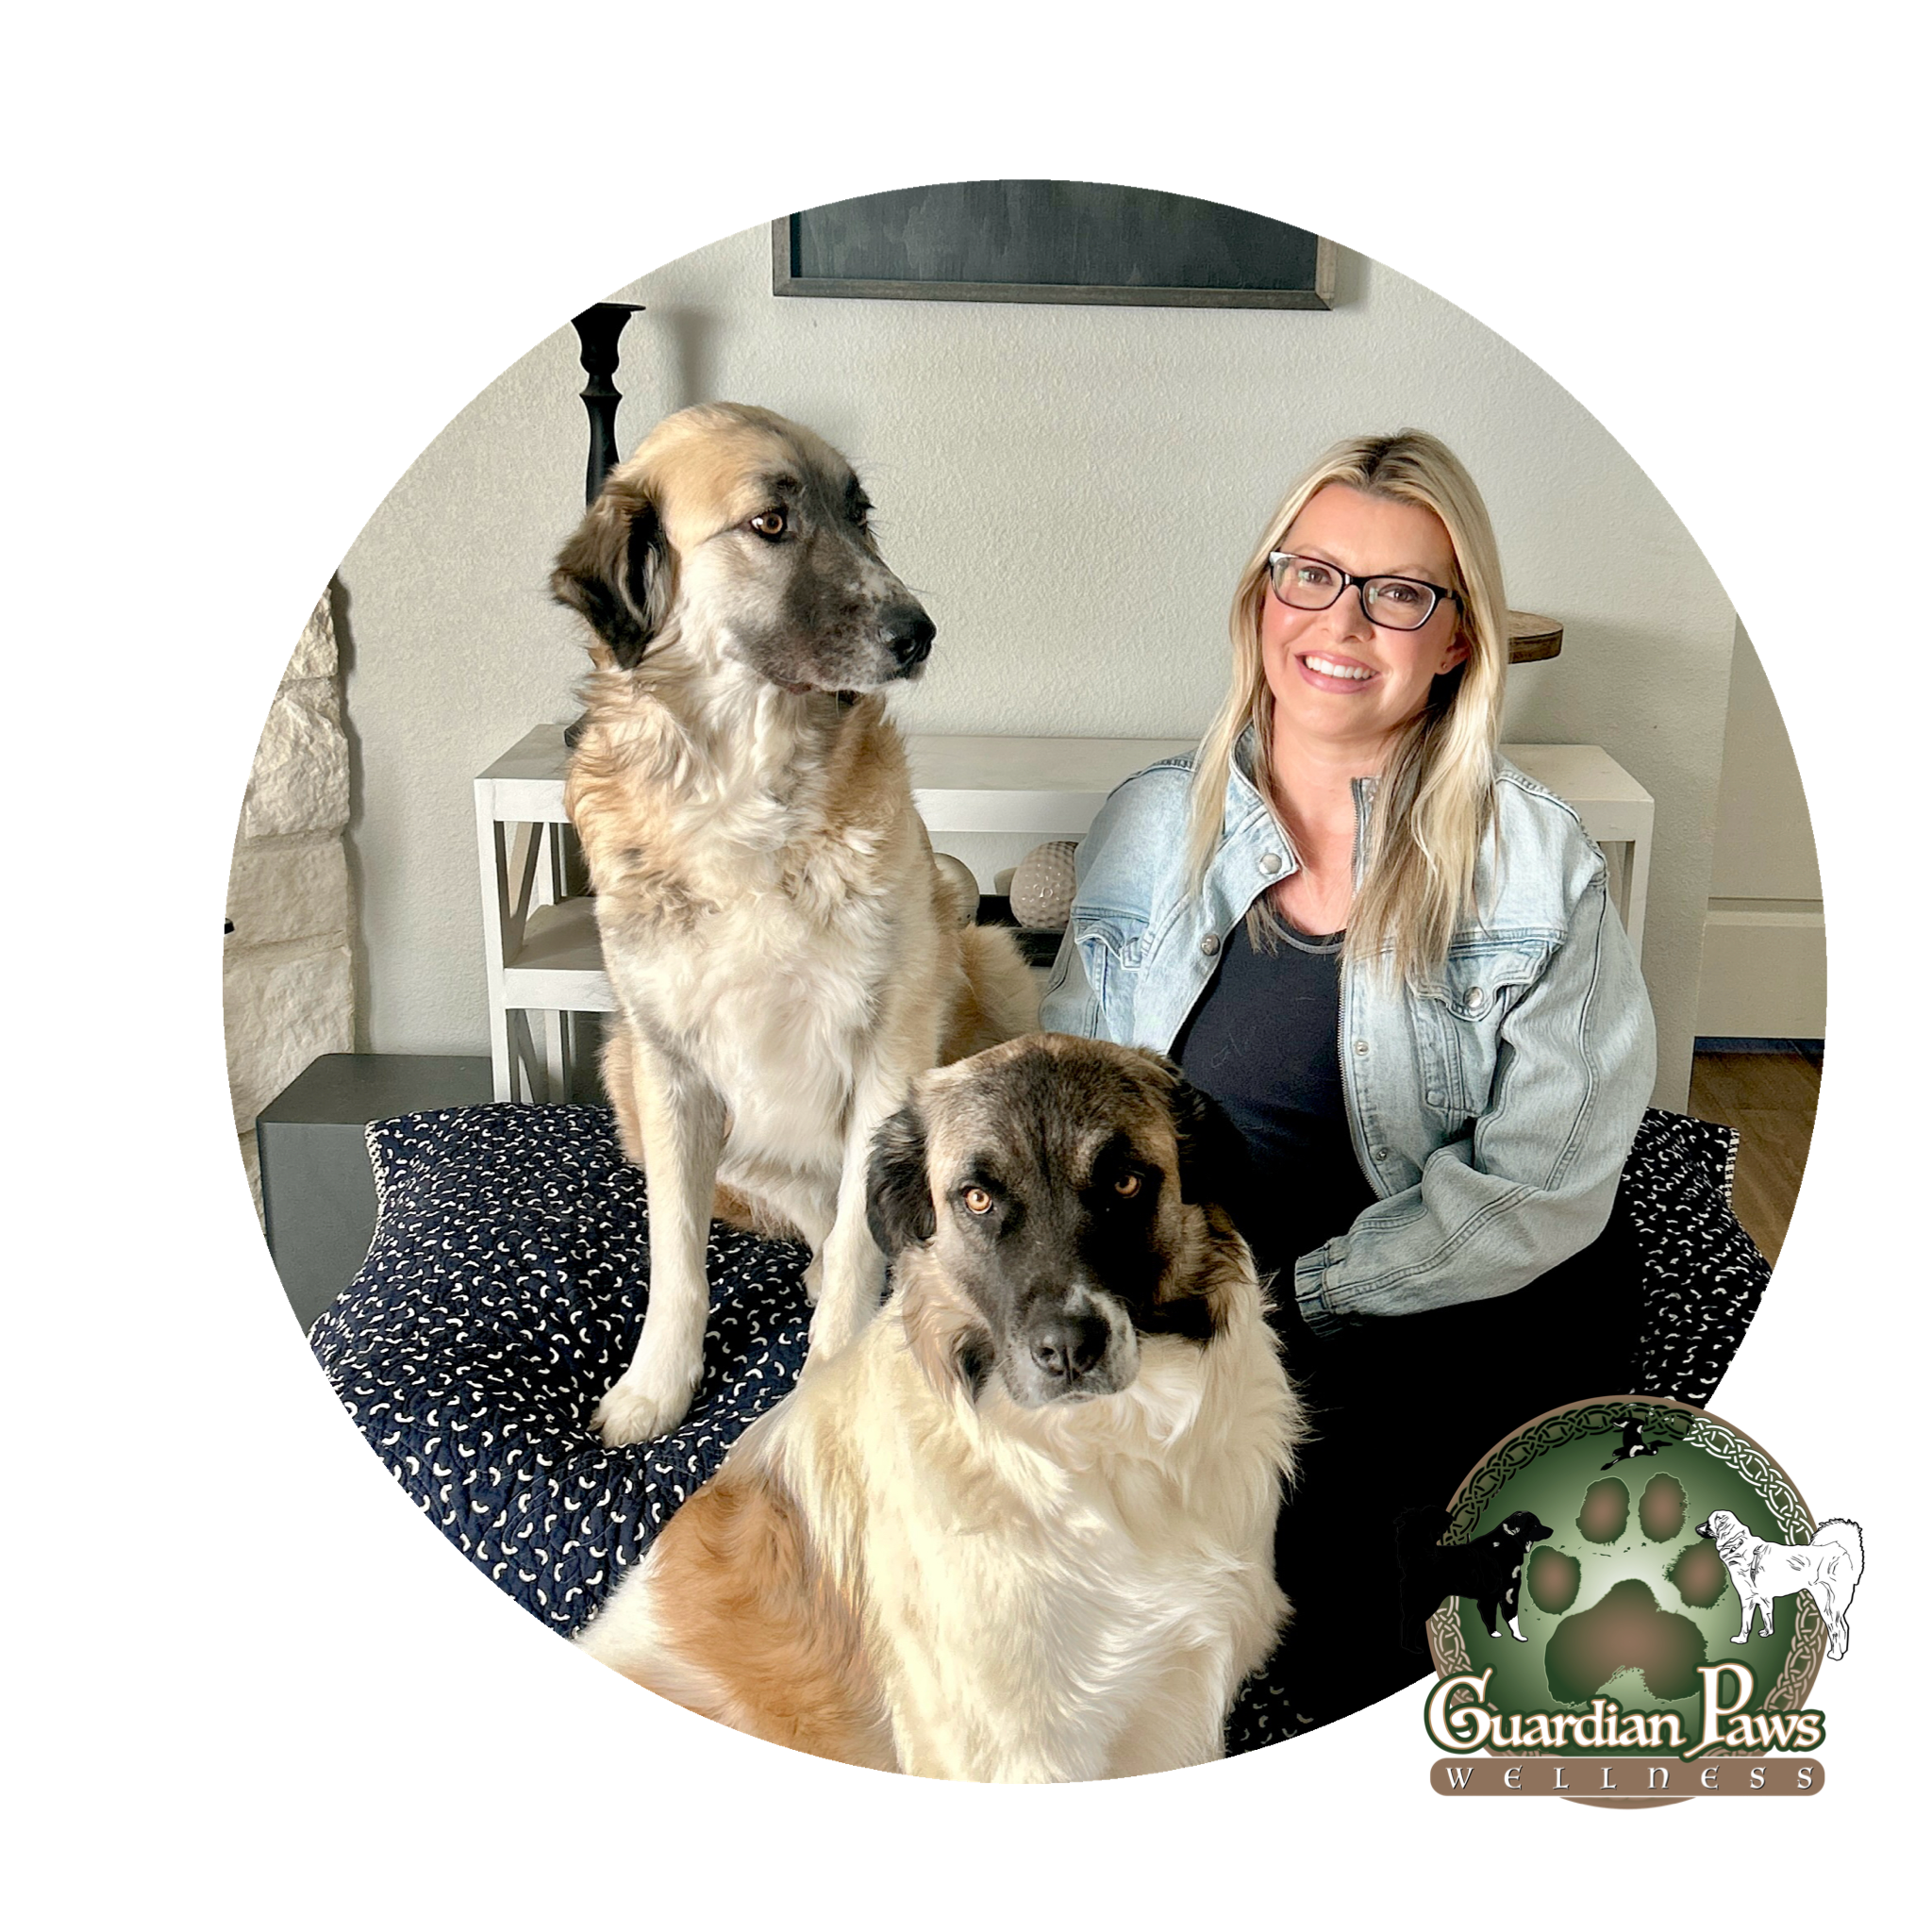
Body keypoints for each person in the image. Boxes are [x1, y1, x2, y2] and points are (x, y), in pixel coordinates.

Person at [1039, 430, 1657, 1745]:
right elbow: (1076, 1107)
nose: (1343, 621)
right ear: (1263, 597)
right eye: (1311, 573)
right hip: (1223, 1290)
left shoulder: (1537, 860)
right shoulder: (1148, 826)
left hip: (1457, 1290)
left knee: (1395, 1628)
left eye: (1400, 592)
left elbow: (1542, 1181)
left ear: (1458, 640)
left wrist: (1296, 1301)